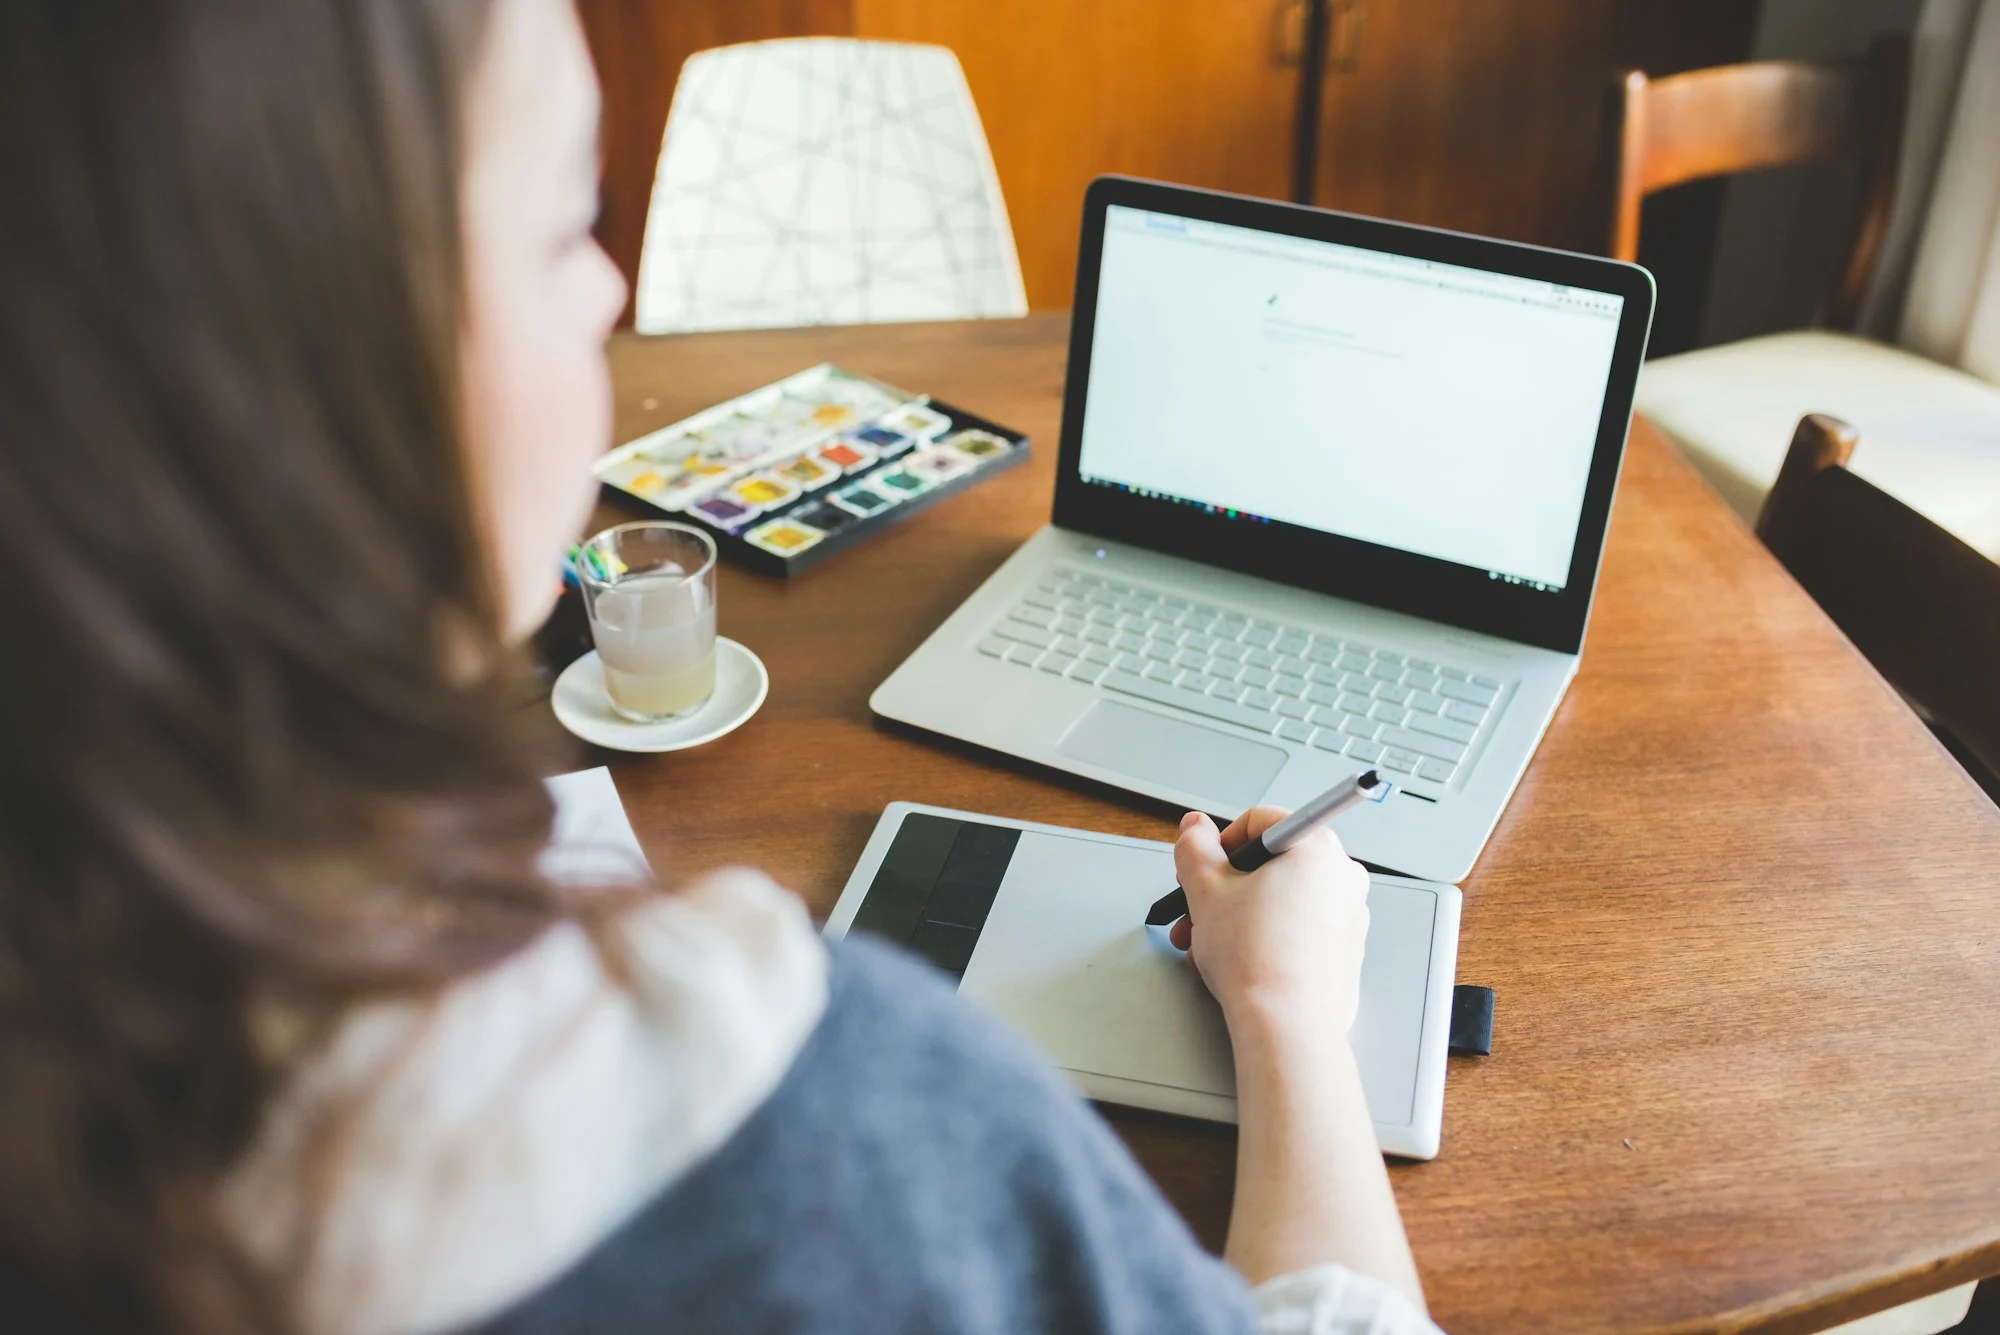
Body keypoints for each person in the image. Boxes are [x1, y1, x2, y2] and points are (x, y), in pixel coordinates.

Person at [0, 1, 1443, 1332]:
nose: (611, 285)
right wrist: (1290, 1012)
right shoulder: (851, 1128)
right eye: (566, 223)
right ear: (311, 365)